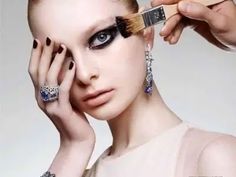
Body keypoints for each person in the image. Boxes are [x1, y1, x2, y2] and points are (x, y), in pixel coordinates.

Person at [27, 0, 236, 177]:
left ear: (146, 33)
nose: (83, 74)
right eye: (60, 56)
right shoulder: (74, 168)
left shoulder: (213, 158)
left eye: (101, 38)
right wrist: (73, 146)